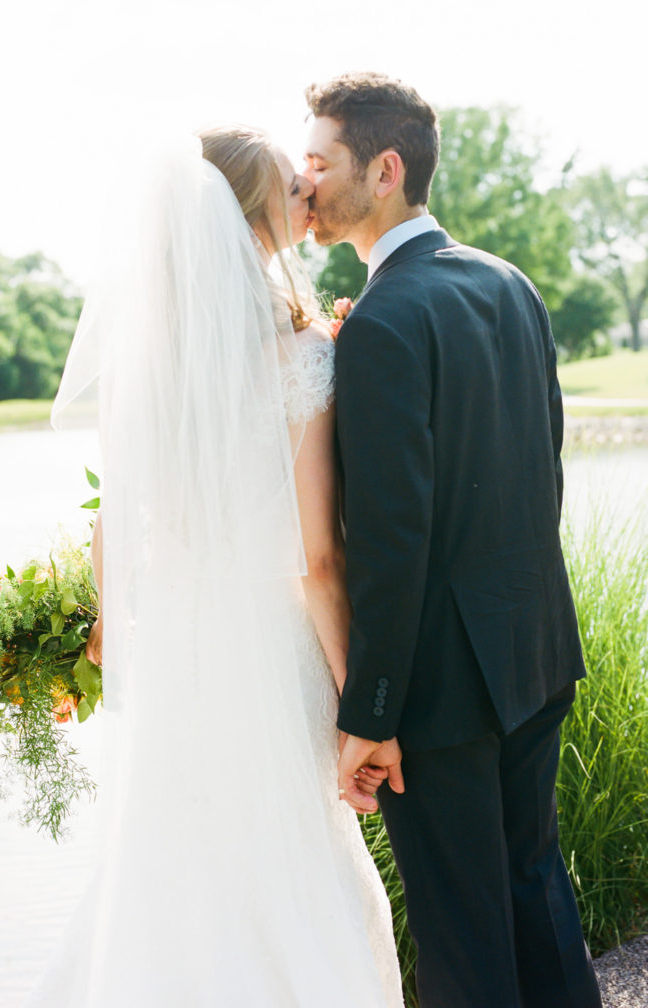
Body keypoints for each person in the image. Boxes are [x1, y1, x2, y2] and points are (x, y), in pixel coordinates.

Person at [26, 126, 402, 1006]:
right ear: (251, 215)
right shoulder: (303, 357)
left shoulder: (148, 363)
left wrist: (112, 629)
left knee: (175, 859)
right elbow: (315, 558)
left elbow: (113, 521)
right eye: (288, 184)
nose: (305, 193)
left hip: (180, 646)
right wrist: (360, 703)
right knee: (288, 861)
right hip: (269, 649)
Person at [303, 71, 603, 1008]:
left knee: (462, 936)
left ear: (384, 170)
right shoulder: (507, 283)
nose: (305, 182)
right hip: (535, 652)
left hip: (443, 689)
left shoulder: (383, 323)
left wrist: (371, 709)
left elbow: (394, 543)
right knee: (533, 893)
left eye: (321, 161)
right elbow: (541, 474)